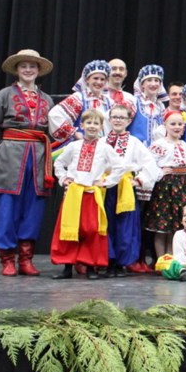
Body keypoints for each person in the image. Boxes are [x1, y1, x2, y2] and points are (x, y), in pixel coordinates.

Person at [0, 49, 55, 276]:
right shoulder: (2, 96)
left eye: (32, 66)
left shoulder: (47, 100)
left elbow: (51, 129)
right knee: (7, 208)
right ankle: (7, 259)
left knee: (33, 208)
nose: (28, 70)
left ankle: (26, 259)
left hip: (38, 157)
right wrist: (3, 149)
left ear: (38, 70)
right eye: (23, 66)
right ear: (17, 69)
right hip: (10, 157)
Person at [50, 109, 124, 280]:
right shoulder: (73, 146)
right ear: (81, 125)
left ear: (101, 127)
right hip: (74, 194)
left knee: (91, 230)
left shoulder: (105, 148)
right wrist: (64, 179)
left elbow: (119, 167)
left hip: (92, 194)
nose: (92, 126)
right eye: (88, 123)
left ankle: (91, 266)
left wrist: (105, 182)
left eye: (96, 123)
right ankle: (67, 267)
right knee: (69, 229)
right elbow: (59, 163)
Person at [103, 104, 162, 275]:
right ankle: (107, 260)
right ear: (109, 119)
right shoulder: (102, 141)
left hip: (125, 189)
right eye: (115, 117)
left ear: (129, 121)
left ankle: (121, 262)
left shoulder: (134, 143)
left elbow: (150, 164)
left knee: (125, 226)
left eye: (122, 118)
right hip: (105, 189)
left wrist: (139, 179)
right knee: (106, 224)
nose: (118, 120)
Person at [144, 109, 186, 259]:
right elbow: (149, 164)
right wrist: (160, 172)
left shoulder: (184, 145)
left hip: (182, 186)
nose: (177, 127)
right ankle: (161, 259)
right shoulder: (159, 144)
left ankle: (172, 258)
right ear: (165, 125)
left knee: (176, 226)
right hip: (166, 187)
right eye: (173, 124)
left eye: (180, 124)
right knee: (162, 226)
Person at [48, 60, 115, 142]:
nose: (99, 82)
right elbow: (54, 115)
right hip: (80, 147)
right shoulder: (78, 98)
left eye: (102, 79)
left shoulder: (109, 102)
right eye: (95, 78)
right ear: (87, 80)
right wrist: (74, 133)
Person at [131, 65, 167, 145]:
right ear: (142, 84)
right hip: (137, 150)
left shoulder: (161, 106)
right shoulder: (134, 102)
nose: (153, 84)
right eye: (149, 80)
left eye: (157, 80)